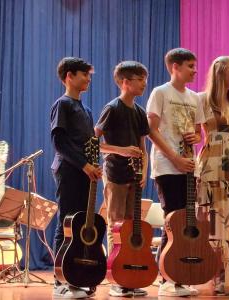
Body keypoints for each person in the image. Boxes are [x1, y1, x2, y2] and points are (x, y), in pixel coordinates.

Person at [146, 48, 204, 297]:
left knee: (187, 220)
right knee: (172, 221)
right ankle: (166, 277)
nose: (195, 70)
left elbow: (200, 132)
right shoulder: (160, 93)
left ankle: (180, 274)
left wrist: (196, 137)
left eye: (195, 65)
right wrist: (175, 159)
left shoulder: (196, 98)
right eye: (190, 66)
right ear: (175, 67)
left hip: (189, 167)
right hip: (168, 165)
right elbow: (151, 130)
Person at [95, 61, 150, 297]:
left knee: (130, 226)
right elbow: (95, 142)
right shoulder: (112, 108)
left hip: (134, 177)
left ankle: (131, 275)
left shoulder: (139, 112)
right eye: (139, 79)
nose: (144, 84)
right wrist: (121, 150)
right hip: (115, 174)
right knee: (116, 226)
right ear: (125, 82)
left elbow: (142, 145)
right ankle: (117, 277)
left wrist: (144, 171)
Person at [50, 57, 102, 299]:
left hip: (85, 172)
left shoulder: (87, 110)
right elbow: (59, 142)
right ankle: (59, 281)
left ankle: (77, 276)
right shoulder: (63, 104)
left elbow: (91, 144)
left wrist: (94, 166)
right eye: (84, 75)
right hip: (69, 171)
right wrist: (83, 165)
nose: (88, 79)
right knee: (67, 223)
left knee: (82, 224)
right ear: (69, 76)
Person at [196, 56, 229, 295]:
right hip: (212, 165)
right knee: (215, 225)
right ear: (221, 73)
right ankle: (217, 278)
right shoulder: (202, 100)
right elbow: (197, 134)